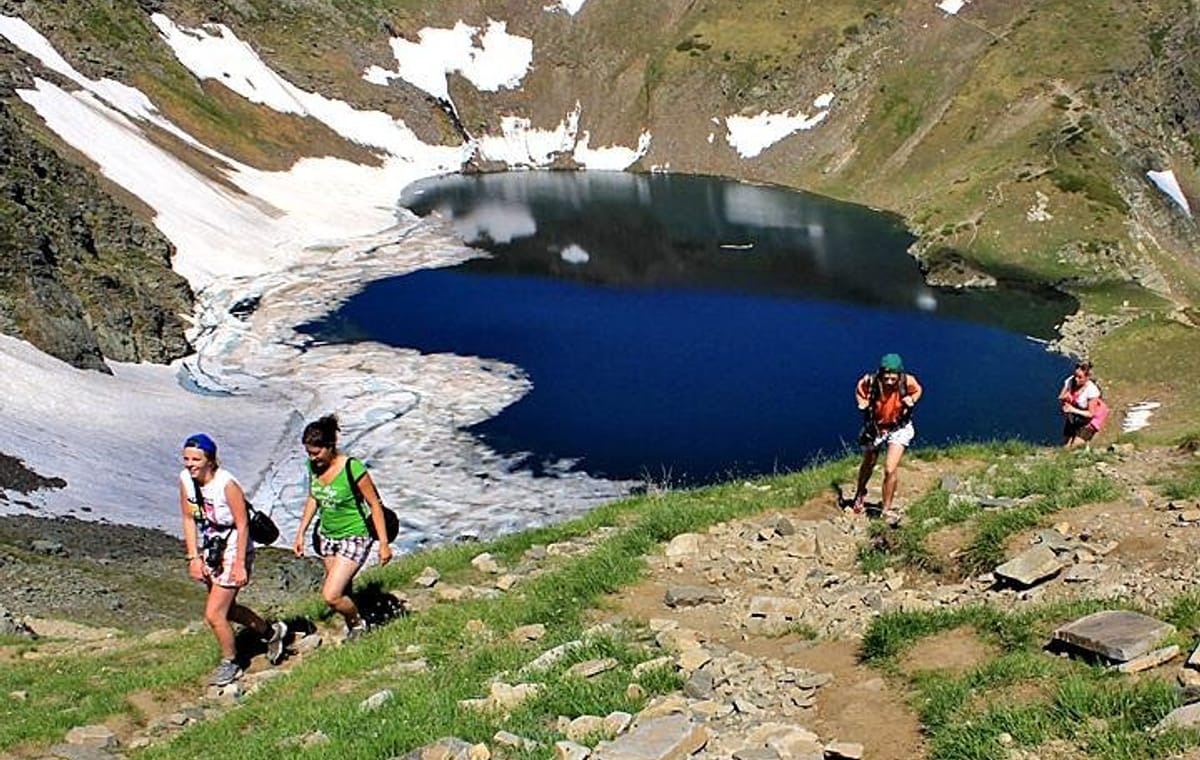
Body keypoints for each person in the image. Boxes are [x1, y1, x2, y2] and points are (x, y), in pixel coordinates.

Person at [179, 434, 287, 686]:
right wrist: (193, 557)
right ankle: (270, 633)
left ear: (210, 460)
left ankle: (231, 662)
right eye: (186, 459)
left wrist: (239, 563)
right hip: (212, 545)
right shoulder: (186, 480)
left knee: (214, 614)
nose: (190, 464)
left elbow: (242, 524)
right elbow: (187, 517)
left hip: (234, 545)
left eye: (196, 459)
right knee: (227, 609)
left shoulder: (226, 485)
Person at [292, 415, 393, 640]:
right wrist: (301, 532)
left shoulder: (352, 468)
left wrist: (383, 544)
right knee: (343, 588)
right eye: (309, 453)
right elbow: (313, 497)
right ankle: (354, 622)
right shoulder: (314, 467)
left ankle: (359, 624)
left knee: (331, 594)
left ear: (330, 446)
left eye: (316, 453)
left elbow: (375, 505)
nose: (312, 458)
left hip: (354, 534)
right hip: (328, 536)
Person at [850, 353, 923, 523]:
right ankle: (860, 492)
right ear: (881, 373)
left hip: (899, 427)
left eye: (893, 376)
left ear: (899, 374)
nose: (890, 380)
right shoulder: (870, 381)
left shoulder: (907, 381)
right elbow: (860, 390)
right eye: (886, 376)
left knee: (890, 468)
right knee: (868, 462)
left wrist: (911, 399)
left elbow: (918, 389)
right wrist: (863, 403)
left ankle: (886, 509)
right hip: (876, 428)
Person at [1059, 360, 1105, 449]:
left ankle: (1085, 443)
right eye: (1075, 375)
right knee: (1066, 446)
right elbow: (1061, 396)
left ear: (1087, 377)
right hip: (1075, 416)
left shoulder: (1092, 391)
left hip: (1090, 419)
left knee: (1074, 447)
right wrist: (1065, 398)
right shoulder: (1070, 381)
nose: (1076, 379)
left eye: (1080, 377)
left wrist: (1072, 409)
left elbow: (1091, 413)